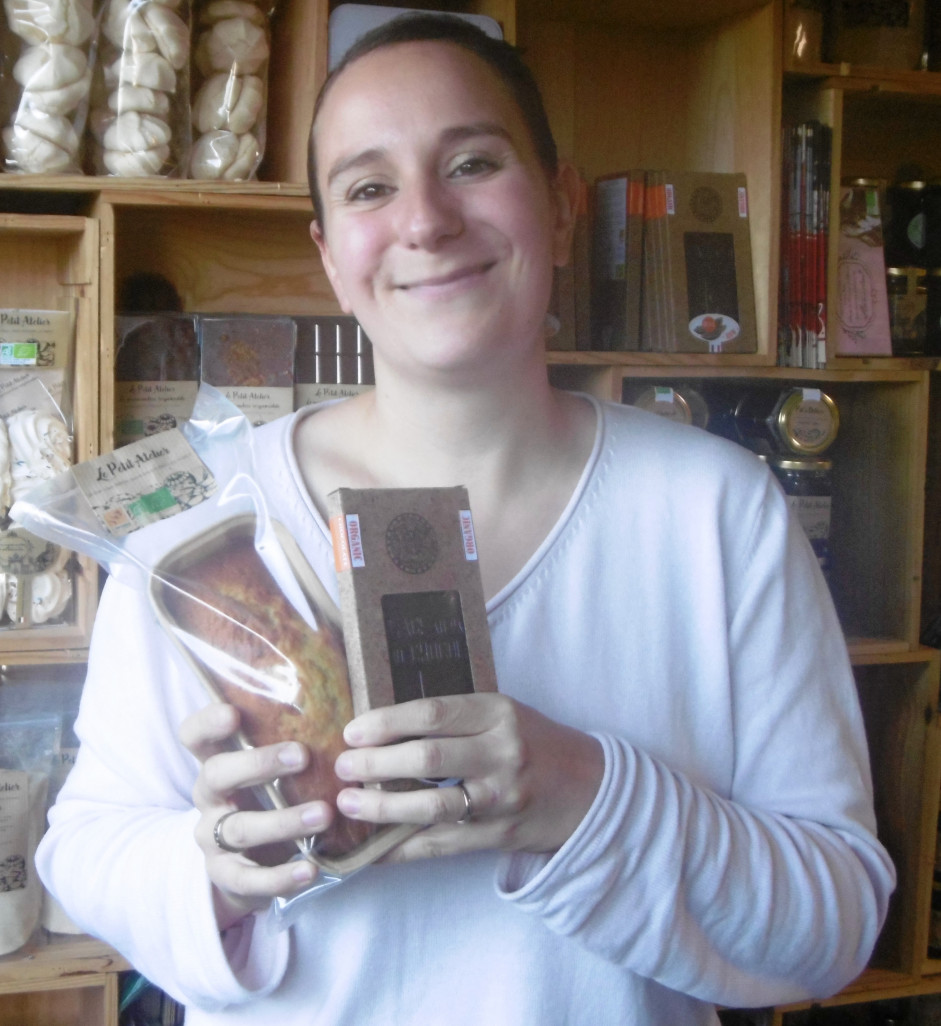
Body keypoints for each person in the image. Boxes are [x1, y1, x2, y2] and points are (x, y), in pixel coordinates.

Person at [36, 13, 895, 1025]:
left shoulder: (717, 509)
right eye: (368, 186)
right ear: (327, 252)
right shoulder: (203, 537)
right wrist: (215, 866)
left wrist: (582, 794)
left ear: (562, 206)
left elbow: (832, 925)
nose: (425, 220)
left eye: (473, 163)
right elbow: (83, 851)